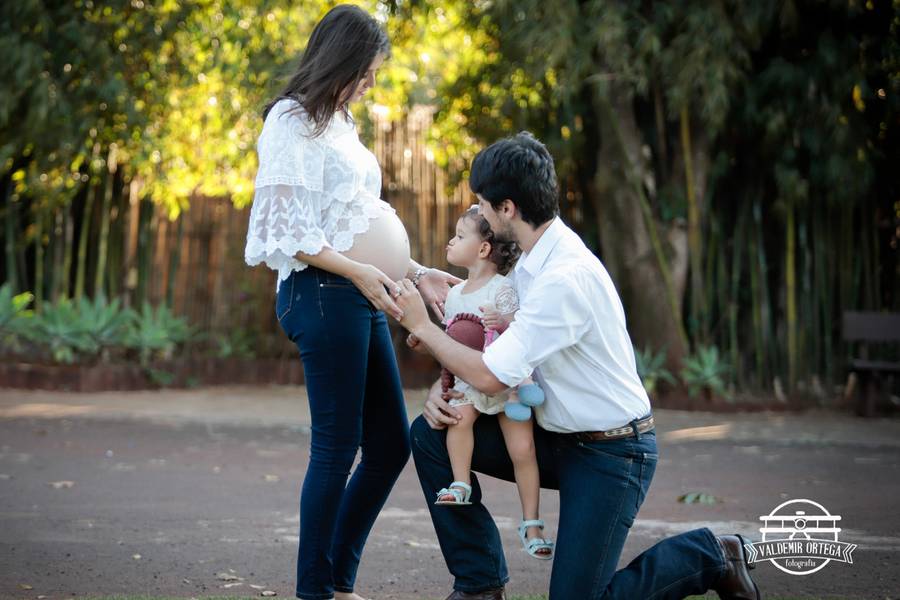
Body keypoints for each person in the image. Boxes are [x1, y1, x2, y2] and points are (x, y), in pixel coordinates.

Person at [392, 132, 761, 600]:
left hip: (613, 452)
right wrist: (446, 392)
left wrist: (423, 328)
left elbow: (489, 373)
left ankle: (713, 554)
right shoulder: (530, 262)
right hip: (556, 437)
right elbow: (488, 362)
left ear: (507, 209)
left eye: (483, 205)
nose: (479, 215)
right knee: (431, 434)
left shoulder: (563, 278)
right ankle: (480, 584)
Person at [243, 6, 460, 600]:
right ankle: (316, 590)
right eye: (364, 73)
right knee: (336, 448)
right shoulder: (291, 120)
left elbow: (351, 220)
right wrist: (366, 270)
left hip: (357, 294)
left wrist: (416, 271)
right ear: (338, 59)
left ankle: (335, 581)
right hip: (322, 294)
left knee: (389, 445)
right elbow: (291, 230)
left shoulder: (342, 125)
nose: (369, 85)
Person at [408, 206, 553, 560]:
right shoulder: (455, 295)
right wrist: (424, 341)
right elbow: (454, 340)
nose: (450, 241)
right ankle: (460, 483)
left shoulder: (503, 289)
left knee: (523, 450)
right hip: (472, 380)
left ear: (484, 249)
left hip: (505, 381)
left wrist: (502, 320)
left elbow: (520, 328)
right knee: (459, 418)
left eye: (459, 235)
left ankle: (531, 522)